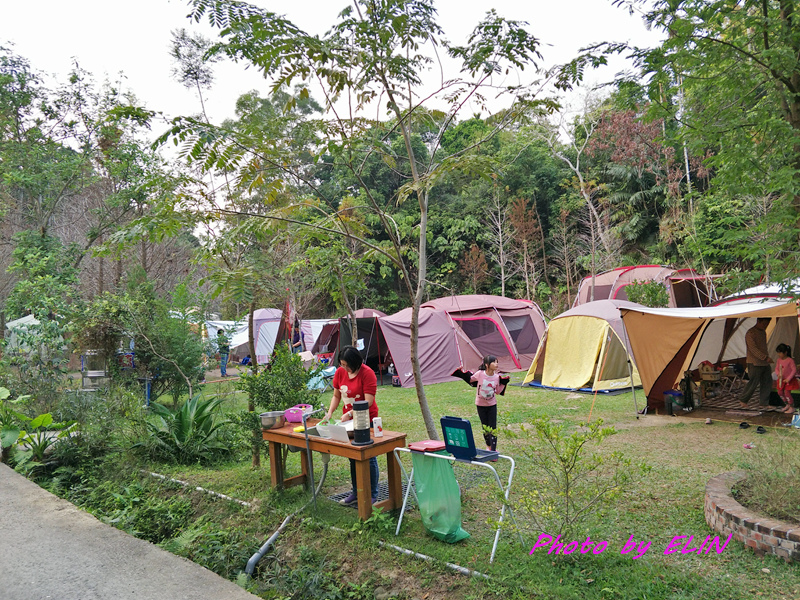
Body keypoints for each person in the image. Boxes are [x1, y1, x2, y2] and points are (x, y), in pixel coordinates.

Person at [324, 345, 379, 505]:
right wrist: (330, 412)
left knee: (368, 456)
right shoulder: (340, 372)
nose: (344, 368)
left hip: (365, 418)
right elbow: (336, 395)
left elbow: (368, 401)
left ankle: (373, 494)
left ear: (356, 363)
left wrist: (350, 413)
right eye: (342, 364)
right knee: (352, 455)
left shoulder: (367, 373)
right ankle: (356, 492)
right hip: (347, 422)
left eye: (347, 365)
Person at [470, 355, 504, 452]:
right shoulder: (480, 374)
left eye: (497, 362)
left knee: (493, 427)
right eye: (494, 362)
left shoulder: (497, 377)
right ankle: (488, 446)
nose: (496, 364)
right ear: (487, 365)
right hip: (480, 405)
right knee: (485, 426)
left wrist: (504, 384)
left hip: (492, 405)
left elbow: (497, 391)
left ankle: (493, 450)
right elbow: (471, 380)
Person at [739, 317, 774, 408]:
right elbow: (753, 349)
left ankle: (764, 402)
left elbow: (764, 347)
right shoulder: (750, 333)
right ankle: (743, 400)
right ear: (758, 321)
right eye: (764, 324)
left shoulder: (763, 332)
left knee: (767, 381)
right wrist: (764, 357)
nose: (765, 326)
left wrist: (766, 358)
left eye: (767, 324)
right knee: (753, 382)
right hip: (754, 362)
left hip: (764, 363)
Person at [774, 343, 798, 413]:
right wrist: (778, 374)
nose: (778, 354)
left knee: (787, 393)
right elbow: (776, 368)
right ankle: (786, 404)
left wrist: (788, 378)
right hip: (781, 379)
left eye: (780, 352)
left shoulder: (790, 360)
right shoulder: (779, 360)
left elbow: (794, 370)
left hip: (788, 380)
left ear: (785, 353)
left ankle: (791, 406)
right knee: (780, 392)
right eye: (778, 353)